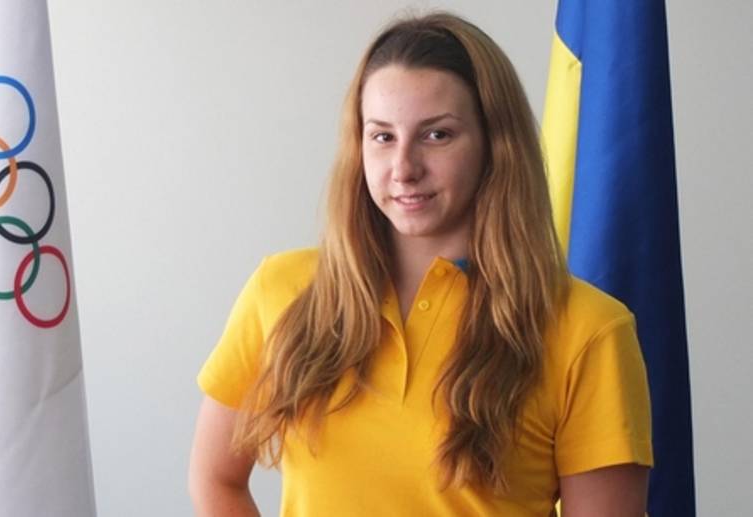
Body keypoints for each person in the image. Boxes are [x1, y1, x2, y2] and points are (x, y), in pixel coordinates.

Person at [189, 11, 653, 517]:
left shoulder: (588, 331)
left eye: (437, 135)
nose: (404, 168)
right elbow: (216, 479)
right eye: (383, 136)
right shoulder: (281, 290)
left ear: (496, 144)